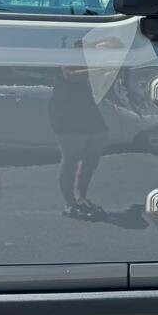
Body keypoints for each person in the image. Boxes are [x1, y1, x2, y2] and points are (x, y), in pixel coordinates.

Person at [48, 43, 109, 219]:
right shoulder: (69, 55)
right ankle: (69, 203)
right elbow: (70, 75)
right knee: (71, 158)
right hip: (66, 111)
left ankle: (81, 196)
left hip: (87, 109)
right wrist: (98, 68)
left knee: (93, 153)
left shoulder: (92, 57)